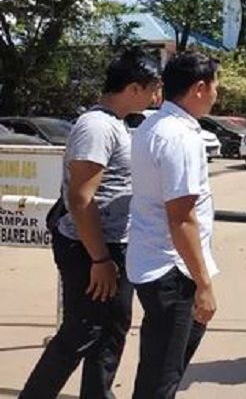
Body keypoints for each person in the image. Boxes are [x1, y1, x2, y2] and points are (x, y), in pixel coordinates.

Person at [19, 49, 161, 399]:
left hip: (112, 246)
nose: (156, 96)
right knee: (80, 332)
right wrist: (100, 259)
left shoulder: (117, 123)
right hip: (89, 249)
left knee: (110, 330)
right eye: (153, 88)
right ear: (133, 88)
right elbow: (81, 198)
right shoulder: (96, 126)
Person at [126, 51, 221, 399]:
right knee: (162, 377)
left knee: (161, 367)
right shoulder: (179, 136)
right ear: (199, 88)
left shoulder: (153, 126)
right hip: (172, 271)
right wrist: (204, 284)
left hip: (155, 263)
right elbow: (181, 218)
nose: (216, 94)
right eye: (215, 86)